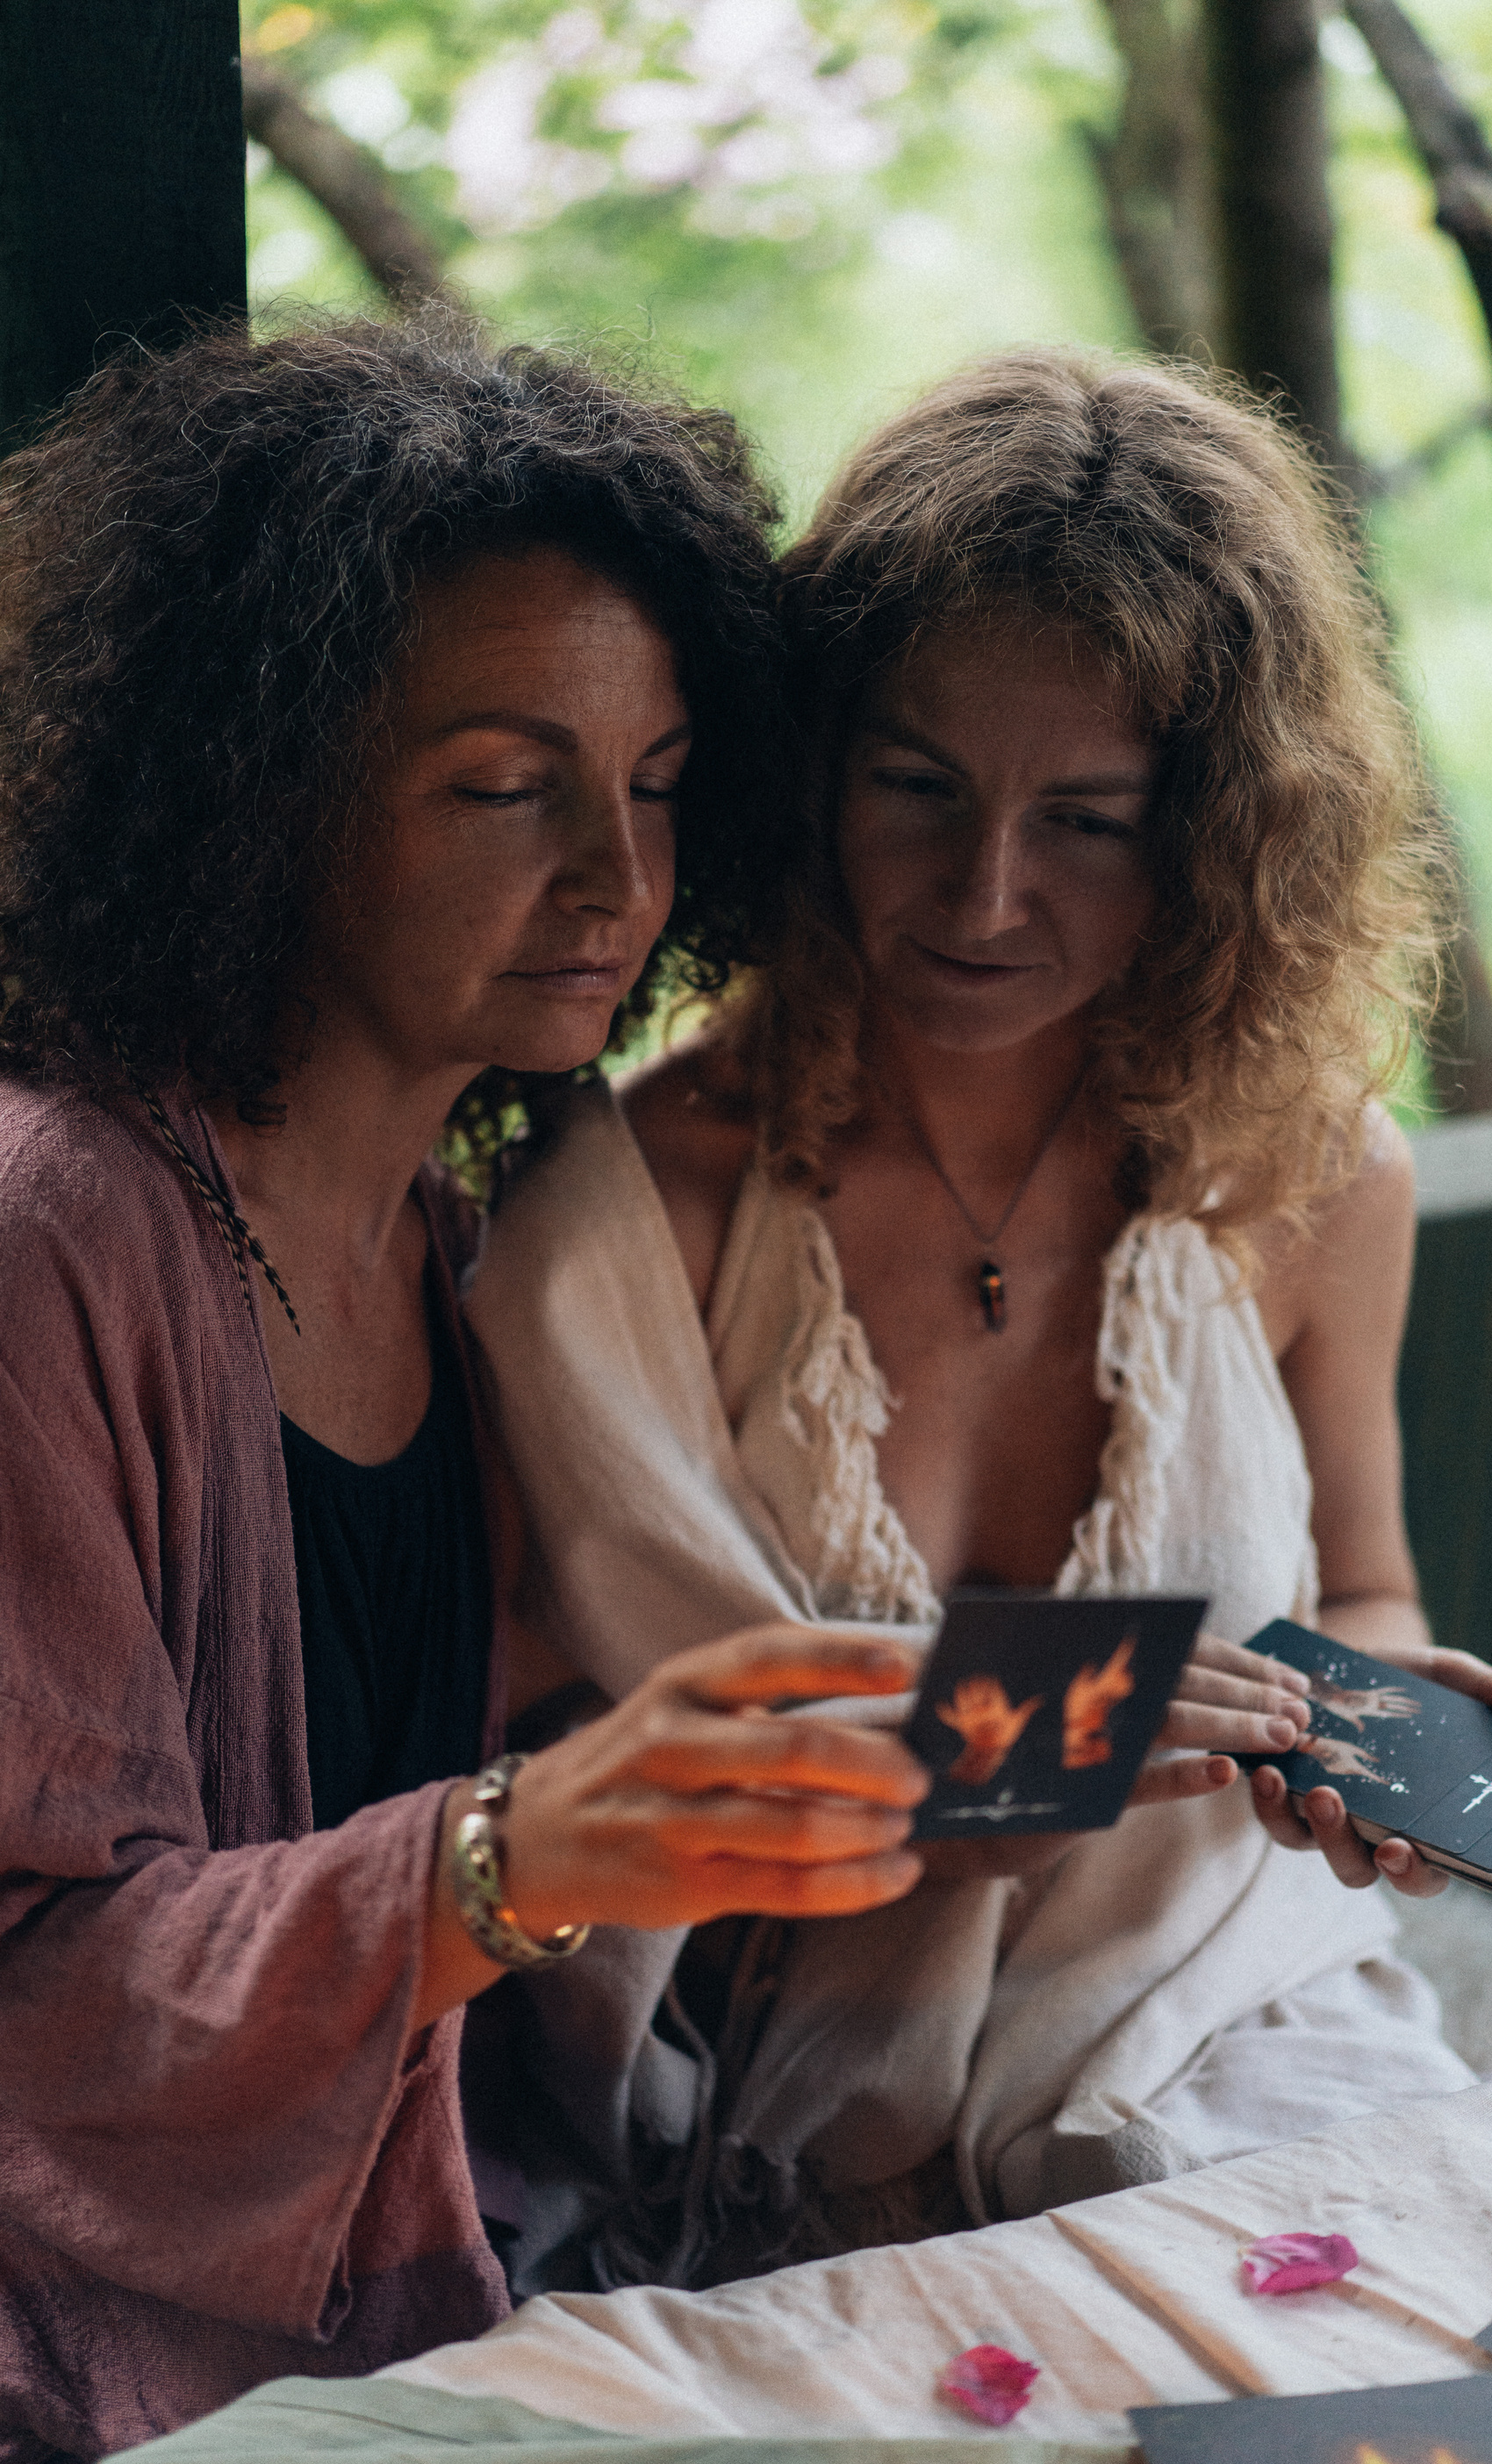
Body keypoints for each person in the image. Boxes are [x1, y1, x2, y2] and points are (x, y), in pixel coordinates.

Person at [467, 347, 1492, 2289]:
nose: (982, 892)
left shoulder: (1308, 1178)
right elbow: (559, 1756)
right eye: (917, 786)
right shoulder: (622, 1224)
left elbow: (1365, 1588)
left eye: (1091, 820)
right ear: (805, 767)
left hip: (1229, 2031)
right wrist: (1057, 1733)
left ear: (1224, 835)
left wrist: (1381, 1726)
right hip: (761, 2117)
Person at [0, 319, 947, 2464]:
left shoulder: (452, 1233)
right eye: (510, 787)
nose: (618, 881)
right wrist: (506, 1859)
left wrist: (1098, 1741)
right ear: (254, 782)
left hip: (438, 2278)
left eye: (662, 785)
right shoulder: (51, 1232)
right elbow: (30, 2008)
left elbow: (514, 1782)